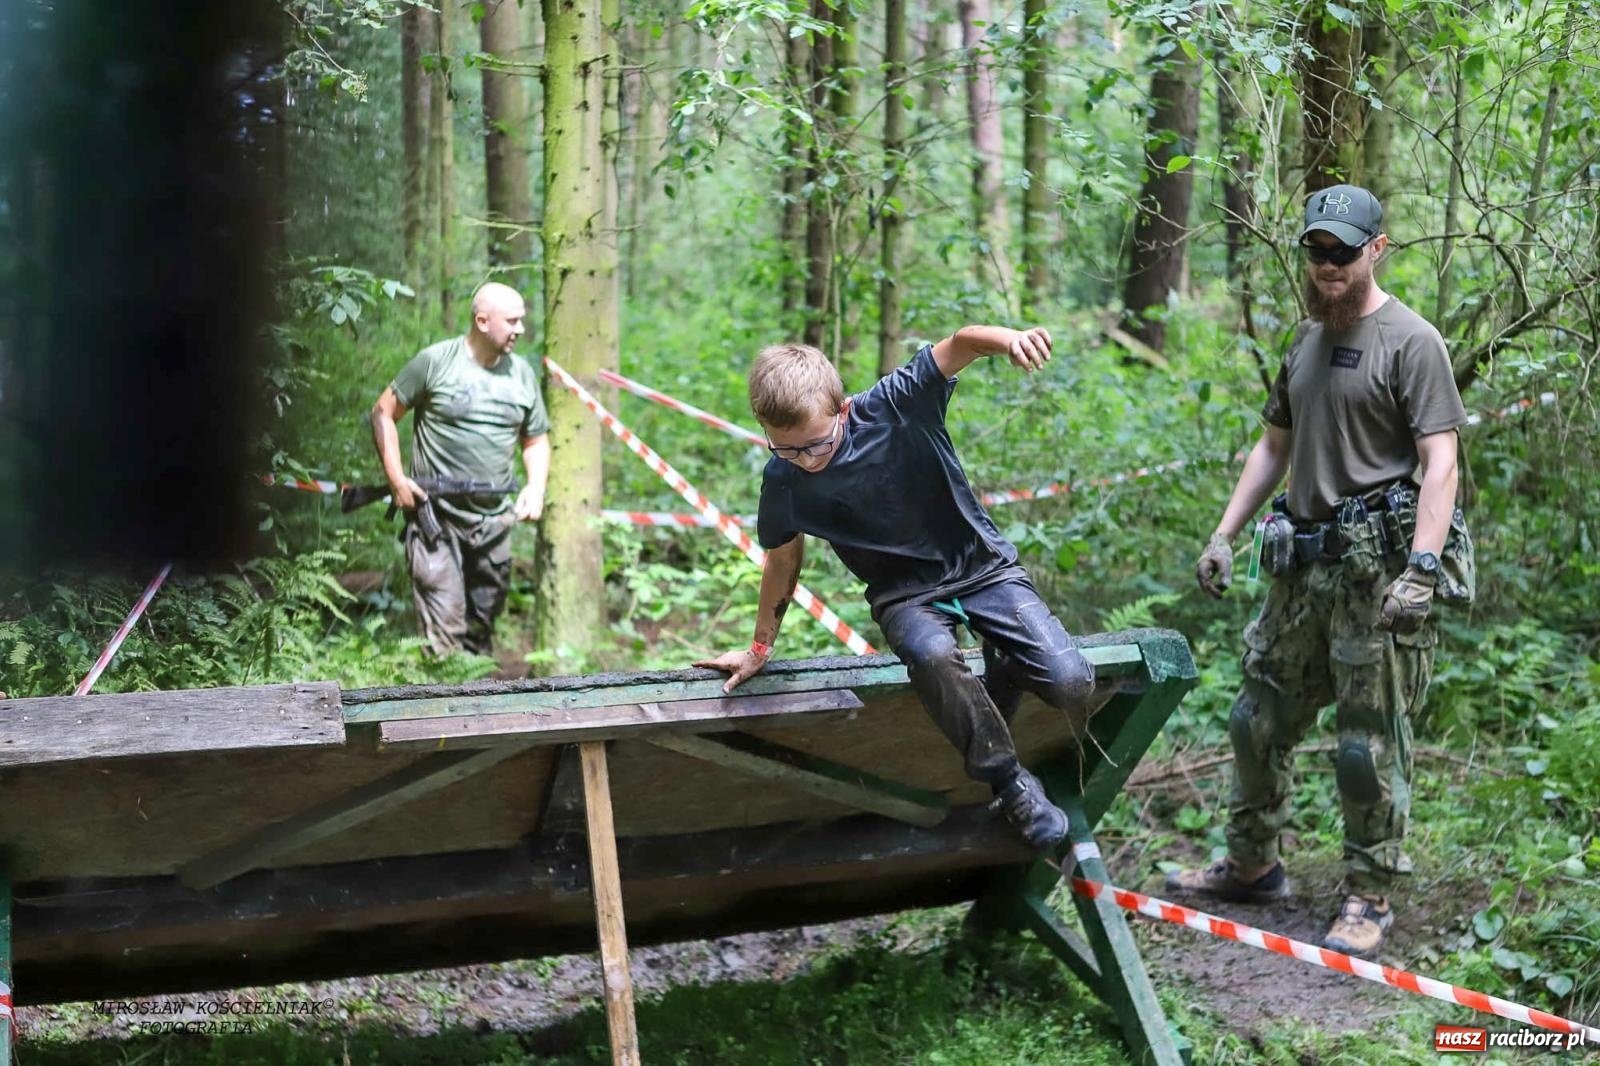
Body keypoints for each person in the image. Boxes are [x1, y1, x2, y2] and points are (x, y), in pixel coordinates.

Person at [1165, 184, 1475, 957]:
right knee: (1255, 720)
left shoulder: (1413, 341)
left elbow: (1442, 463)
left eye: (1343, 250)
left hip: (1378, 581)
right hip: (1298, 571)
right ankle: (1251, 863)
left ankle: (1368, 896)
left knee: (1365, 746)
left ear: (1377, 249)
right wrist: (1224, 533)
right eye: (1317, 249)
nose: (1328, 263)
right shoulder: (1305, 340)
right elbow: (1274, 443)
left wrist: (1423, 567)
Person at [694, 325, 1097, 852]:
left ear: (842, 408)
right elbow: (782, 558)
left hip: (981, 569)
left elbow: (962, 343)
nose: (807, 460)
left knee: (1070, 684)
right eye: (788, 450)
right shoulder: (784, 478)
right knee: (930, 653)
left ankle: (1006, 655)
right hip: (904, 597)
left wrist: (1011, 340)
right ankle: (1011, 784)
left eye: (817, 444)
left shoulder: (894, 403)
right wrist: (759, 648)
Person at [368, 282, 550, 657]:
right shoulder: (435, 362)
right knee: (444, 640)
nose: (520, 330)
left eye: (521, 321)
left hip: (494, 525)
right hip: (437, 522)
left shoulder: (522, 376)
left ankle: (480, 711)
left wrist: (536, 487)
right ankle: (443, 709)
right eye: (512, 321)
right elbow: (383, 412)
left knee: (481, 633)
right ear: (482, 321)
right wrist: (397, 480)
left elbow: (535, 439)